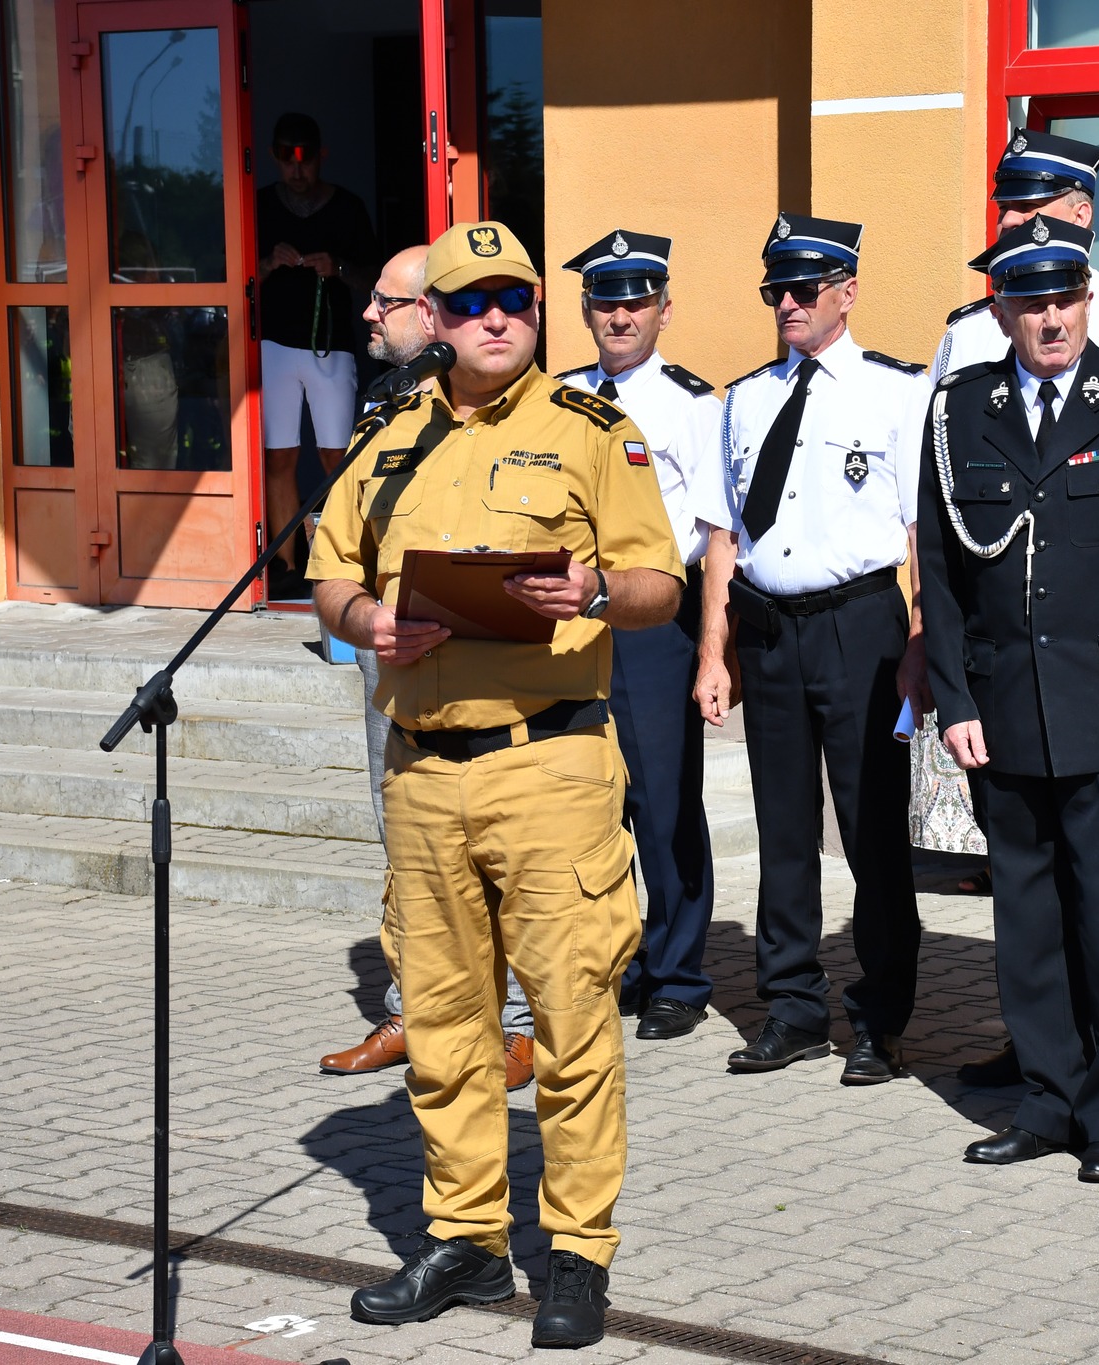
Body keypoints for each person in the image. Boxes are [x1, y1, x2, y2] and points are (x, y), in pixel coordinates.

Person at [311, 220, 684, 1347]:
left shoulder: (591, 431)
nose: (495, 318)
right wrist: (368, 620)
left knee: (570, 1021)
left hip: (549, 765)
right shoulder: (387, 439)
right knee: (444, 1024)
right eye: (471, 301)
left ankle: (575, 1251)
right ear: (432, 319)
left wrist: (593, 591)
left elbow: (660, 582)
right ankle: (466, 1239)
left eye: (513, 299)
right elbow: (329, 573)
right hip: (422, 772)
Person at [916, 216, 1099, 1182]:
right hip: (1002, 706)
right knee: (1028, 921)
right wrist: (955, 698)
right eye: (1030, 301)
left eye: (1064, 298)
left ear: (1088, 299)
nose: (1050, 318)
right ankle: (1047, 1097)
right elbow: (941, 569)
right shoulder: (960, 408)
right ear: (1001, 308)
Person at [692, 213, 928, 1085]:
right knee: (783, 828)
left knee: (872, 833)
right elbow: (723, 537)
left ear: (847, 292)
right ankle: (790, 1004)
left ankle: (881, 1018)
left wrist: (919, 641)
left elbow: (920, 534)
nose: (786, 303)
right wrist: (714, 652)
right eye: (775, 291)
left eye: (802, 288)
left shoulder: (896, 391)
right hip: (769, 628)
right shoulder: (745, 398)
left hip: (860, 626)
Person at [316, 244, 533, 1091]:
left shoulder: (517, 411)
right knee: (403, 839)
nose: (369, 314)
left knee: (500, 847)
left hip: (486, 662)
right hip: (392, 654)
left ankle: (517, 1024)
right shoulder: (383, 406)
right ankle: (414, 1007)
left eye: (386, 302)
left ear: (431, 313)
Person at [556, 230, 724, 1042]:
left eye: (637, 302)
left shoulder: (691, 404)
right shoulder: (558, 396)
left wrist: (712, 644)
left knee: (662, 799)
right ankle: (620, 956)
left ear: (664, 309)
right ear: (587, 310)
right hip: (570, 617)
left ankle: (678, 974)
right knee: (588, 796)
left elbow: (715, 528)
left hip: (655, 616)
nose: (620, 316)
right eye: (606, 301)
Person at [258, 112, 380, 599]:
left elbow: (375, 277)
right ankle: (286, 566)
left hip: (331, 345)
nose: (296, 168)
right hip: (273, 345)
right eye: (287, 158)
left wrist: (338, 267)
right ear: (274, 157)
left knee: (337, 456)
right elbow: (235, 275)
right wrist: (269, 263)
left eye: (305, 158)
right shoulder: (260, 204)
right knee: (279, 457)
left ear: (320, 155)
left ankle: (347, 563)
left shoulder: (347, 207)